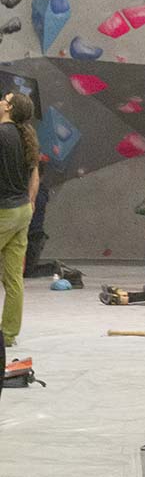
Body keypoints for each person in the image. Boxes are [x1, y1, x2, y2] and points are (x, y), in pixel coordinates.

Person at [0, 92, 39, 348]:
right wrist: (31, 203)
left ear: (9, 108)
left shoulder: (2, 134)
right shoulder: (27, 138)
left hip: (3, 212)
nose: (1, 99)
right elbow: (35, 174)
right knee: (13, 277)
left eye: (5, 98)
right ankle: (8, 335)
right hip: (22, 210)